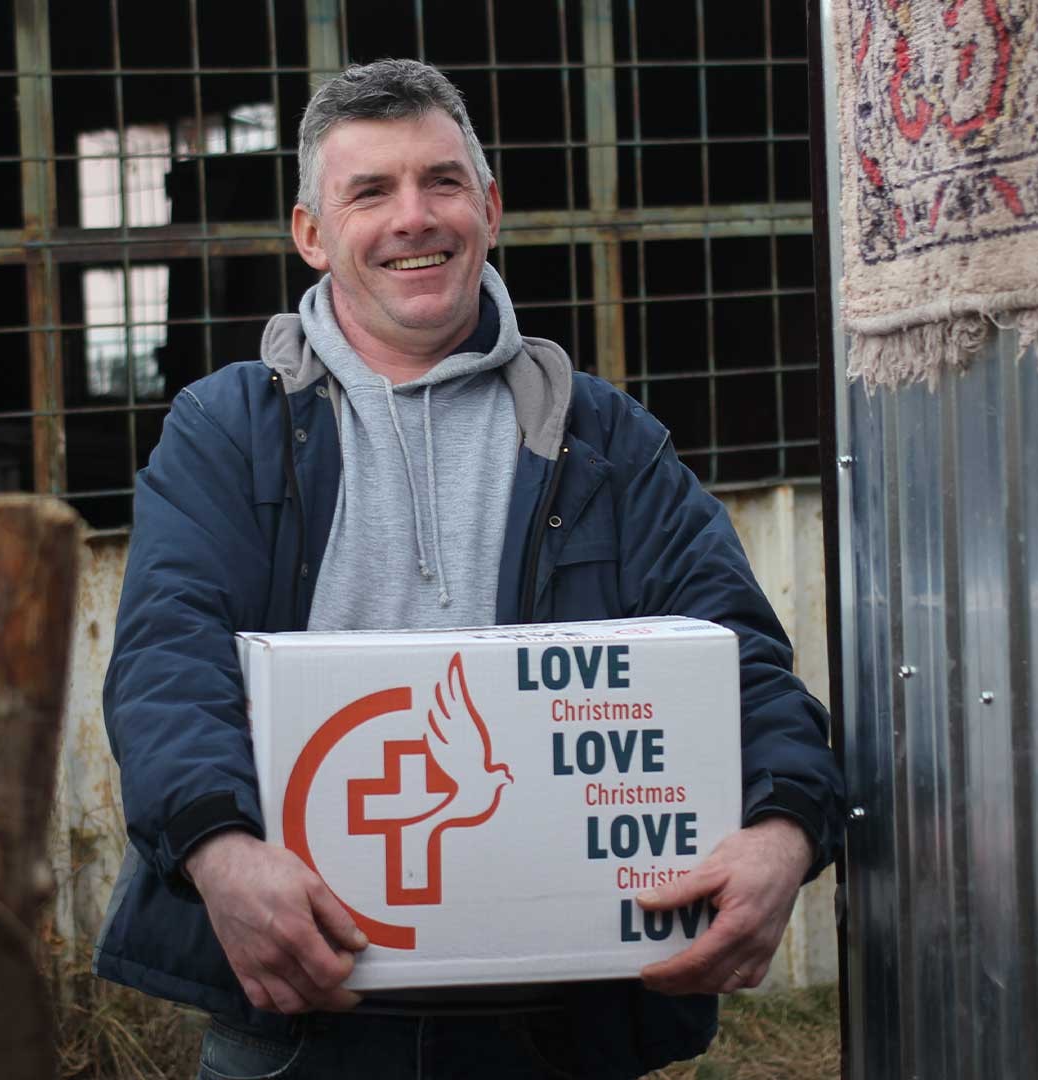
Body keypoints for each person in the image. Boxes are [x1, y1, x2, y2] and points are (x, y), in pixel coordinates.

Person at [94, 58, 844, 1079]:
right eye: (371, 191)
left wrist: (785, 832)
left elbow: (736, 656)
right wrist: (218, 853)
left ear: (488, 207)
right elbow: (165, 659)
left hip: (559, 1023)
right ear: (312, 233)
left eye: (442, 182)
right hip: (302, 1019)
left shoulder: (606, 439)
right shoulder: (230, 430)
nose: (415, 217)